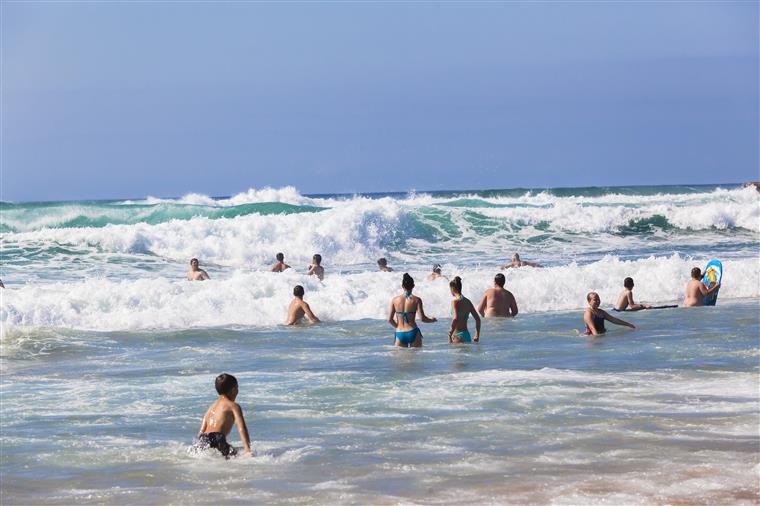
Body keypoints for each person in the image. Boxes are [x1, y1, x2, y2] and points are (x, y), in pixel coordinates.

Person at [195, 373, 252, 458]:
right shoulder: (233, 406)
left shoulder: (211, 407)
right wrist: (248, 450)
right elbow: (241, 428)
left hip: (203, 440)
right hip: (217, 439)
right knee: (240, 455)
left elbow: (201, 432)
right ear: (233, 390)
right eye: (237, 388)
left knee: (236, 451)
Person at [387, 273, 437, 347]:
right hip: (412, 331)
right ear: (413, 286)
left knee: (400, 358)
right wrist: (432, 320)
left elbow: (389, 319)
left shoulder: (395, 300)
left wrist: (397, 326)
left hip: (400, 333)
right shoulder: (417, 300)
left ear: (402, 286)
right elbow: (422, 318)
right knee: (416, 358)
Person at [448, 276, 481, 343]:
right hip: (467, 335)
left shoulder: (455, 302)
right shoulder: (468, 301)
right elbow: (478, 319)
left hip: (457, 336)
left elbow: (455, 318)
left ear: (452, 288)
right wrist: (477, 335)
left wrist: (450, 333)